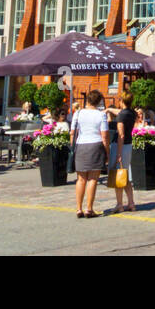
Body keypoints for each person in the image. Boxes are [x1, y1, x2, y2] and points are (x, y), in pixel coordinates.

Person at [71, 90, 109, 218]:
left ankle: (78, 208)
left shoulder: (78, 113)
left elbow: (73, 133)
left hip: (81, 145)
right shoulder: (101, 115)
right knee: (93, 179)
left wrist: (73, 147)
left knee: (81, 179)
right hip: (95, 144)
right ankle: (89, 208)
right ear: (99, 102)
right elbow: (104, 136)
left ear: (87, 100)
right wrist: (107, 152)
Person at [109, 93, 137, 213]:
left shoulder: (121, 116)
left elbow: (121, 134)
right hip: (128, 145)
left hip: (120, 146)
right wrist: (109, 109)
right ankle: (131, 202)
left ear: (121, 101)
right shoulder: (132, 113)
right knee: (125, 174)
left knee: (118, 175)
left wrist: (118, 154)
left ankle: (119, 204)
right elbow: (119, 112)